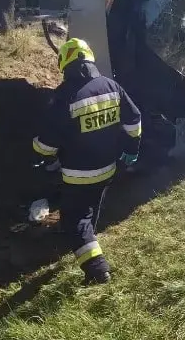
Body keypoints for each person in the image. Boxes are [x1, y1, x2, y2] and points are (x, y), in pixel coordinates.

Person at [32, 38, 142, 285]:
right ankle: (89, 237)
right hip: (109, 168)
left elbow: (48, 143)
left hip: (78, 174)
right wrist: (131, 149)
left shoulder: (64, 97)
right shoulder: (112, 86)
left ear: (66, 65)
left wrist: (37, 153)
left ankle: (97, 268)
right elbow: (134, 120)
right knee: (91, 206)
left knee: (74, 218)